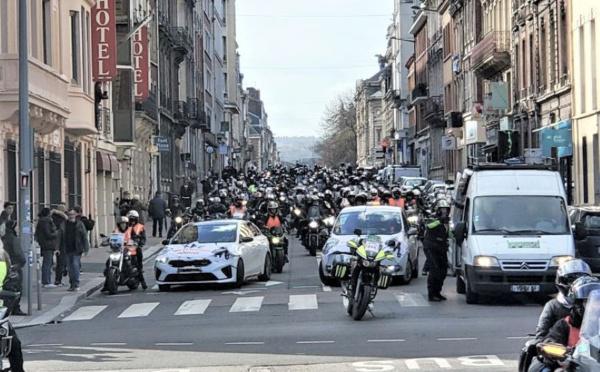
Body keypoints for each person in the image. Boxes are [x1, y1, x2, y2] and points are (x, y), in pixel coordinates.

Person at [519, 259, 592, 371]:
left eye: (588, 301)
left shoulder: (595, 317)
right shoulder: (561, 319)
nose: (586, 306)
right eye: (571, 280)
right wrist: (555, 350)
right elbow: (544, 337)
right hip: (563, 359)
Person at [528, 276, 600, 372]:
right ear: (577, 304)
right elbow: (551, 341)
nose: (594, 305)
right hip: (574, 368)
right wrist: (559, 351)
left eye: (597, 301)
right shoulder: (564, 325)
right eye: (588, 301)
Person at [0, 247, 25, 372]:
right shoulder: (3, 254)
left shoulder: (3, 255)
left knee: (14, 346)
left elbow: (10, 278)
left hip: (0, 312)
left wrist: (12, 291)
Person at [423, 199, 450, 302]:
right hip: (431, 247)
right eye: (442, 209)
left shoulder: (447, 221)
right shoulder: (433, 218)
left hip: (442, 248)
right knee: (434, 270)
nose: (444, 212)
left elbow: (449, 233)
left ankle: (438, 292)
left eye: (446, 210)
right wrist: (440, 220)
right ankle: (431, 294)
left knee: (443, 271)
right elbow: (429, 226)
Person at [1, 219, 26, 315]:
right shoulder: (13, 238)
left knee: (7, 287)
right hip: (15, 266)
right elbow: (18, 253)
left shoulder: (3, 238)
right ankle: (15, 308)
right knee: (17, 288)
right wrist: (22, 262)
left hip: (5, 265)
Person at [64, 208, 90, 291]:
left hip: (77, 249)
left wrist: (86, 249)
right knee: (70, 268)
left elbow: (84, 236)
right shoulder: (64, 224)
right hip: (67, 248)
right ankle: (72, 283)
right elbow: (60, 236)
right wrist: (57, 248)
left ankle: (76, 283)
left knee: (75, 266)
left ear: (75, 215)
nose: (71, 216)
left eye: (72, 214)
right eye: (69, 214)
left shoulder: (80, 224)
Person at [35, 207, 58, 288]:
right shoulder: (46, 221)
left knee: (48, 263)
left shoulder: (41, 221)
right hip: (48, 244)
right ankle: (46, 281)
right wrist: (56, 233)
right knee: (47, 263)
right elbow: (48, 234)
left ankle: (46, 281)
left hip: (44, 244)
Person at [126, 210, 148, 290]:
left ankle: (142, 282)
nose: (132, 221)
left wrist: (140, 243)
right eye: (130, 219)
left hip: (135, 247)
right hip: (125, 247)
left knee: (137, 263)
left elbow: (143, 238)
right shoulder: (124, 226)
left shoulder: (140, 226)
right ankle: (107, 284)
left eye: (133, 219)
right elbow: (118, 233)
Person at [51, 204, 68, 286]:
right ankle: (58, 280)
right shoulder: (61, 220)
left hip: (58, 243)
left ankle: (59, 279)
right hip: (61, 244)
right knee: (61, 263)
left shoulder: (53, 218)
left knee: (60, 263)